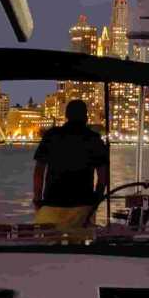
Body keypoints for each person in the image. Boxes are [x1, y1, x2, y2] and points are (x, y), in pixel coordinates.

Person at [32, 99, 109, 230]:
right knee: (79, 246)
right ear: (86, 116)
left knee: (48, 244)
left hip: (52, 204)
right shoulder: (93, 139)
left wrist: (38, 199)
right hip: (82, 206)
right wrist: (96, 200)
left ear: (66, 116)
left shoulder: (51, 136)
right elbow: (103, 175)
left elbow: (39, 171)